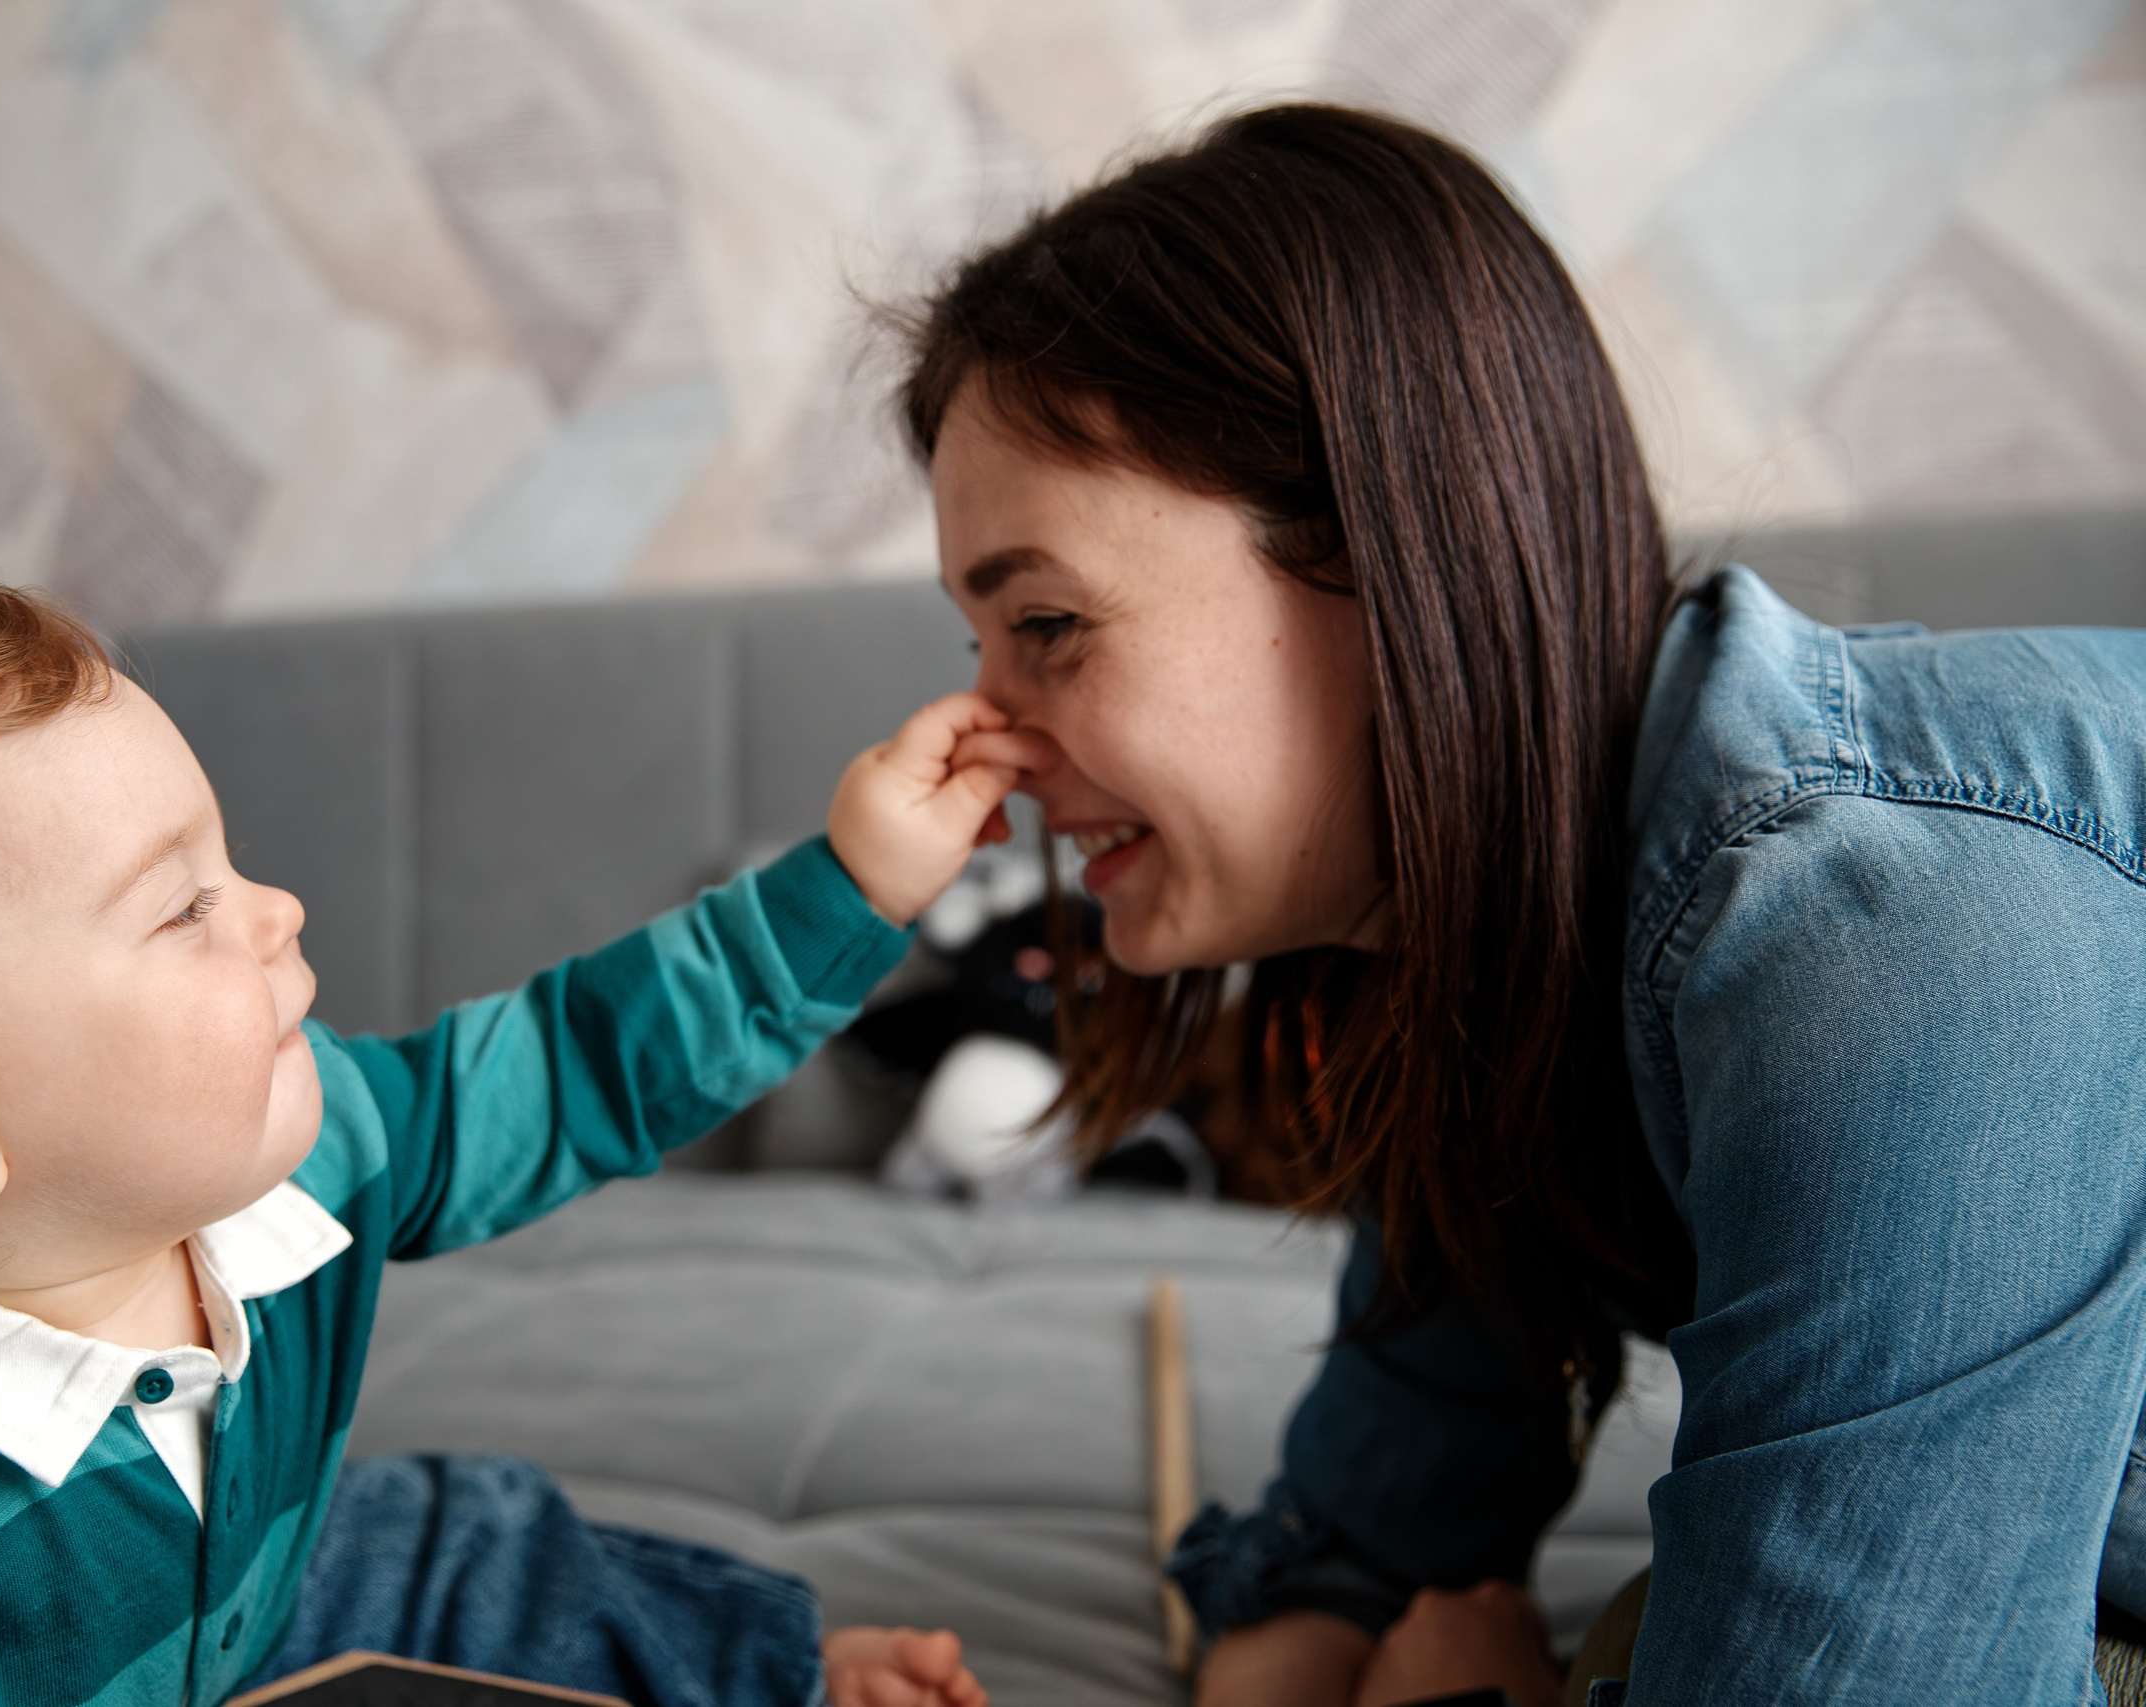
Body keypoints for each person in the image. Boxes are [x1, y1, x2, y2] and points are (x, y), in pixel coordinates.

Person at [896, 102, 2146, 1706]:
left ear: (1381, 553)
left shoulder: (1898, 944)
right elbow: (1361, 1545)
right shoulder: (1465, 947)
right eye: (977, 645)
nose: (985, 748)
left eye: (1051, 622)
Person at [0, 583, 1030, 1707]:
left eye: (231, 861)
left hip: (272, 1613)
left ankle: (759, 1676)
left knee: (473, 1540)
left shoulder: (293, 1156)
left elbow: (579, 1063)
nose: (274, 907)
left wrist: (851, 883)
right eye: (183, 908)